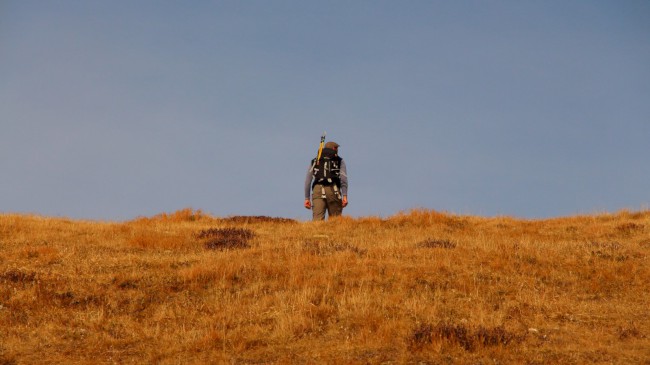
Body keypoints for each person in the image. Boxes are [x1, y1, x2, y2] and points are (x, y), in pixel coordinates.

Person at [304, 141, 348, 220]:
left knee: (317, 221)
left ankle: (318, 232)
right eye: (337, 148)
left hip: (317, 190)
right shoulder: (340, 161)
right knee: (335, 220)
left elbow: (308, 180)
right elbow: (343, 179)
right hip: (333, 189)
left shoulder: (315, 161)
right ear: (334, 148)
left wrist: (307, 198)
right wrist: (345, 196)